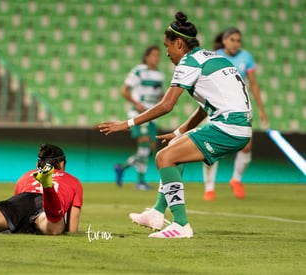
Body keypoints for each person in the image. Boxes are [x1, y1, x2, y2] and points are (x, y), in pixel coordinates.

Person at [98, 12, 252, 238]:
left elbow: (166, 105)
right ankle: (158, 213)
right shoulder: (214, 58)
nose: (167, 53)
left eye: (167, 46)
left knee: (163, 158)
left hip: (228, 127)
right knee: (173, 153)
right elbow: (205, 107)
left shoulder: (188, 62)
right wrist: (180, 132)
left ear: (179, 43)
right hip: (238, 126)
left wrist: (127, 123)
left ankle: (181, 225)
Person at [202, 27, 268, 201]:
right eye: (232, 39)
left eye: (238, 40)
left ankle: (236, 179)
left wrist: (261, 110)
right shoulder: (215, 56)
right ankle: (209, 187)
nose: (236, 43)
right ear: (224, 41)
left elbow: (253, 84)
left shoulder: (246, 57)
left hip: (240, 107)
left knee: (246, 145)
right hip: (218, 107)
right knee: (211, 147)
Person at [114, 45, 165, 190]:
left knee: (149, 150)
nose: (157, 58)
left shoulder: (160, 74)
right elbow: (124, 91)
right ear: (147, 56)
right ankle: (140, 182)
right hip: (139, 116)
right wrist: (136, 104)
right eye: (154, 55)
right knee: (144, 146)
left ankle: (122, 167)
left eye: (158, 55)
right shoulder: (138, 71)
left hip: (152, 116)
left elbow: (161, 95)